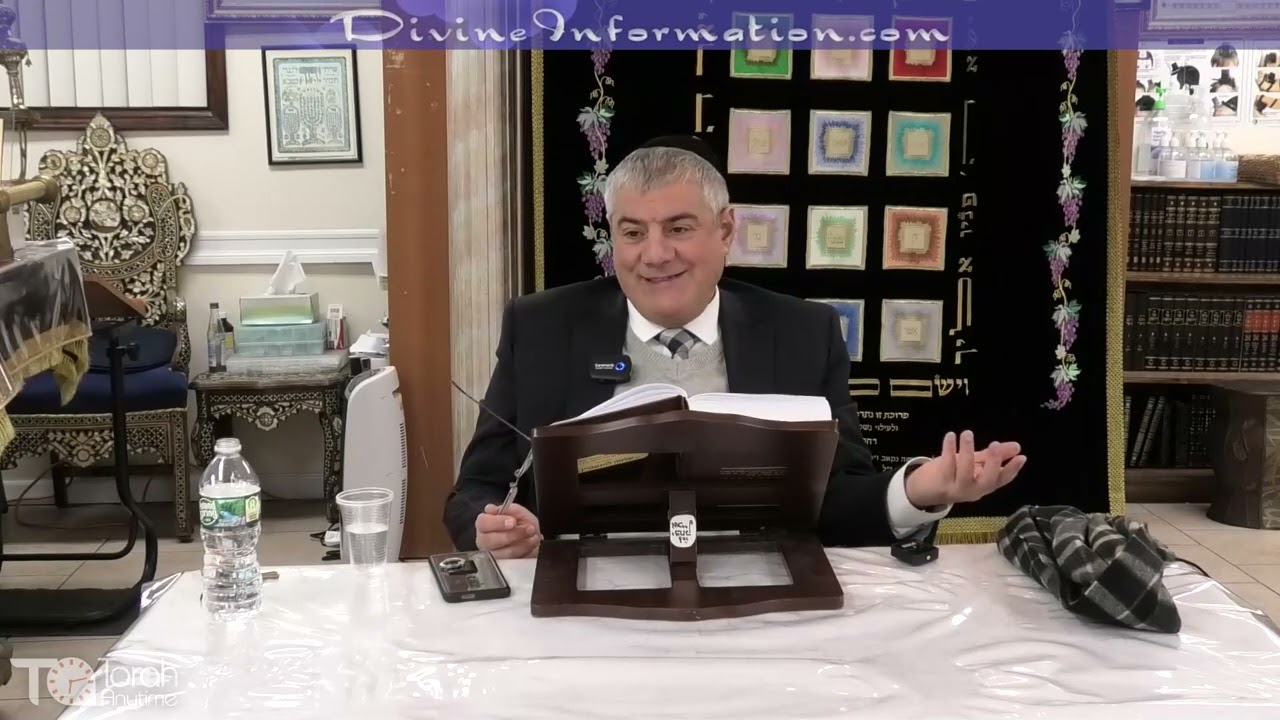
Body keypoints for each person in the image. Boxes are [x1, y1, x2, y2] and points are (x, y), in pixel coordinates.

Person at [443, 135, 1026, 558]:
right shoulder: (541, 327)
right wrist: (491, 530)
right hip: (583, 600)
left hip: (756, 600)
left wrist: (917, 489)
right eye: (632, 232)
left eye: (678, 228)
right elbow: (474, 492)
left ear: (725, 231)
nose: (655, 255)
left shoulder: (802, 333)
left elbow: (836, 499)